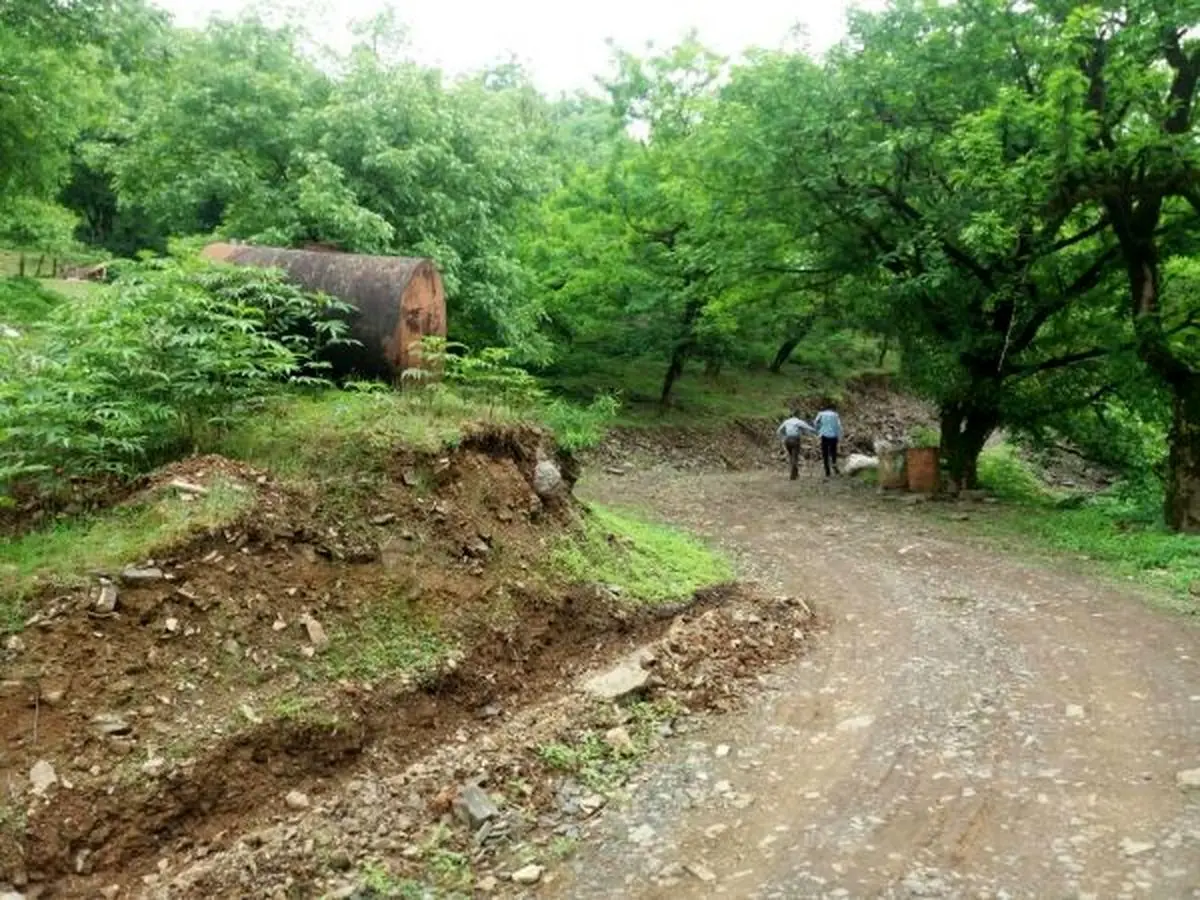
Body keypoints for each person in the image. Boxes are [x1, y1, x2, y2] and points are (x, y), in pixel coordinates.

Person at [777, 410, 815, 480]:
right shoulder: (798, 421)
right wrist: (815, 430)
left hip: (787, 440)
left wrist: (782, 437)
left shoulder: (786, 421)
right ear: (797, 415)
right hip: (795, 440)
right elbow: (808, 427)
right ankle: (792, 476)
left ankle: (796, 473)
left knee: (791, 456)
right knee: (795, 457)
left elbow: (778, 431)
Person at [813, 401, 843, 477]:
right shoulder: (835, 415)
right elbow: (839, 425)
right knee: (833, 452)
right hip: (834, 436)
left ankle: (827, 471)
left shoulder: (821, 414)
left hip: (824, 436)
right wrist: (840, 435)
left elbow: (815, 423)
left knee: (825, 453)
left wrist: (818, 430)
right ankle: (834, 464)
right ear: (832, 409)